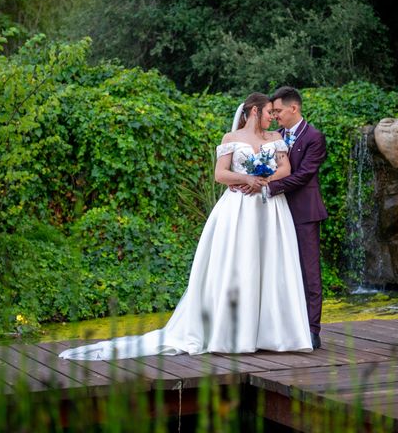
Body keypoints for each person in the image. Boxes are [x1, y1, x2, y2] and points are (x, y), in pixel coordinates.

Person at [59, 92, 312, 360]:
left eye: (274, 113)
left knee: (273, 265)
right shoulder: (231, 139)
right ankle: (233, 333)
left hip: (270, 208)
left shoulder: (275, 139)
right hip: (239, 210)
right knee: (239, 266)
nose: (272, 117)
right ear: (253, 111)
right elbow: (220, 174)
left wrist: (264, 179)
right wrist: (245, 178)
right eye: (268, 112)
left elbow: (285, 168)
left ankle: (273, 333)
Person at [267, 86, 328, 350]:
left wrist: (269, 186)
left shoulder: (314, 137)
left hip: (304, 212)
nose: (275, 115)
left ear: (294, 108)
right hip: (276, 212)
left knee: (309, 272)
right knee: (280, 270)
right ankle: (285, 328)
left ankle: (312, 331)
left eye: (278, 110)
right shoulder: (274, 136)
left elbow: (304, 174)